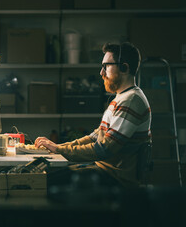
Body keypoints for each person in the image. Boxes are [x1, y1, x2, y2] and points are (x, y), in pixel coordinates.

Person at [35, 42, 152, 188]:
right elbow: (95, 137)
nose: (101, 72)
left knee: (44, 183)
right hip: (104, 170)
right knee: (47, 176)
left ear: (124, 68)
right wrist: (58, 147)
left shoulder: (131, 101)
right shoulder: (121, 98)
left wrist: (59, 150)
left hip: (115, 178)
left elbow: (104, 149)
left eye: (106, 66)